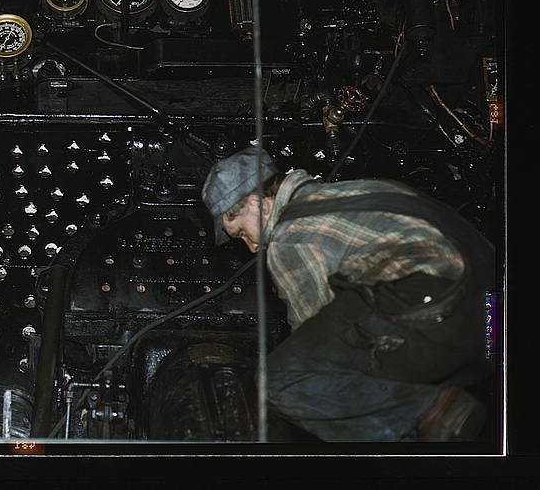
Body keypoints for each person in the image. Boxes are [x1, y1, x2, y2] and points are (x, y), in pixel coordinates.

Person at [201, 145, 496, 442]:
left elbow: (312, 351)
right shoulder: (350, 192)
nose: (251, 246)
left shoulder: (291, 240)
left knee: (281, 380)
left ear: (256, 203)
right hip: (492, 318)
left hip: (435, 311)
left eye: (240, 232)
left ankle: (427, 412)